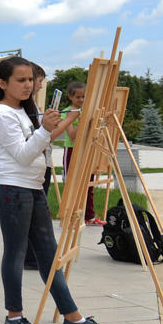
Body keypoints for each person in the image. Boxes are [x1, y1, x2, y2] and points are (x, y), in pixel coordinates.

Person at [0, 57, 115, 324]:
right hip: (11, 187)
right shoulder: (1, 114)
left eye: (31, 80)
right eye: (21, 80)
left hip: (30, 186)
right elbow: (23, 154)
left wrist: (67, 120)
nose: (28, 85)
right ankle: (14, 316)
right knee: (16, 251)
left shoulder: (23, 110)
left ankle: (73, 318)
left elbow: (40, 141)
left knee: (48, 252)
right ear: (3, 83)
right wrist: (45, 128)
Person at [60, 81, 101, 225]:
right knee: (72, 184)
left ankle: (89, 216)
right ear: (70, 97)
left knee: (88, 184)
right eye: (78, 97)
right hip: (72, 150)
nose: (82, 100)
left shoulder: (87, 111)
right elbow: (72, 135)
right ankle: (69, 215)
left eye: (84, 97)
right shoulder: (67, 112)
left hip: (86, 150)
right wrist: (83, 122)